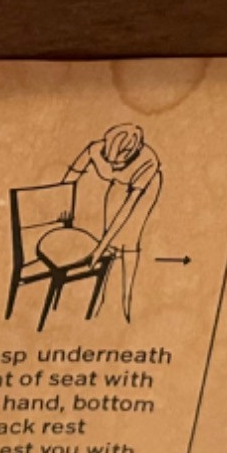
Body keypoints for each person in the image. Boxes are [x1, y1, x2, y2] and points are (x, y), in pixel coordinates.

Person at [63, 124, 162, 321]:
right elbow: (71, 176)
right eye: (110, 162)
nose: (112, 168)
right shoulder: (95, 149)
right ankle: (100, 301)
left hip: (143, 191)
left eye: (118, 164)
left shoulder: (148, 162)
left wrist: (99, 249)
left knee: (129, 239)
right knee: (109, 236)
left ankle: (126, 303)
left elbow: (127, 209)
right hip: (119, 186)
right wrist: (63, 203)